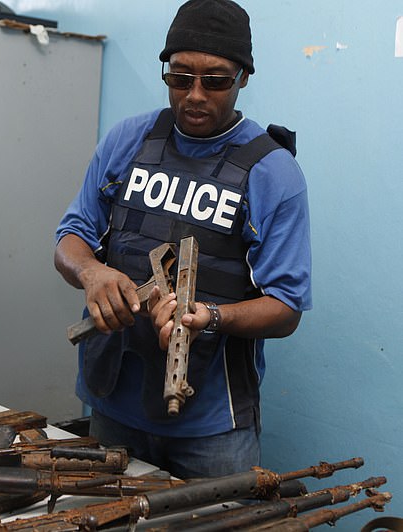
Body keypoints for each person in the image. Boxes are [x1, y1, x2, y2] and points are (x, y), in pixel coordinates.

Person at [54, 0, 311, 479]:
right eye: (180, 77)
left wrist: (211, 317)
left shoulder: (272, 171)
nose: (195, 94)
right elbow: (71, 237)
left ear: (243, 78)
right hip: (113, 406)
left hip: (213, 430)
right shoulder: (127, 141)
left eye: (215, 80)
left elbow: (286, 307)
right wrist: (91, 271)